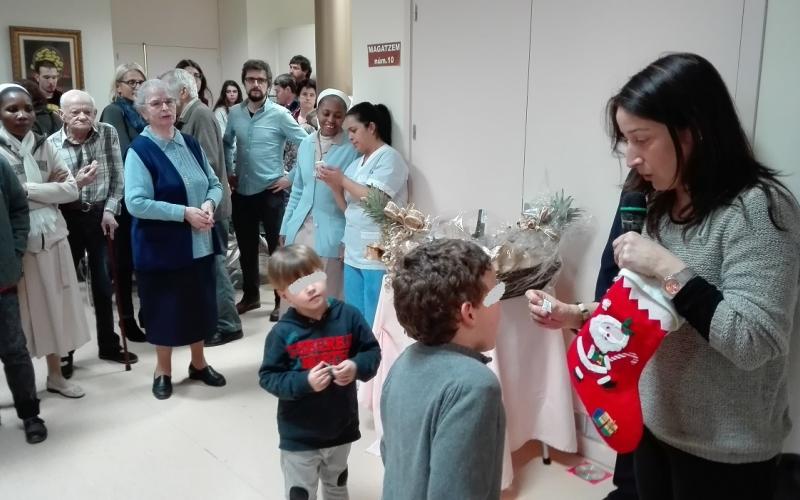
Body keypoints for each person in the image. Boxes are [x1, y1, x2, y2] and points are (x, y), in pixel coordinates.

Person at [526, 53, 800, 500]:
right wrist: (573, 314)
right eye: (625, 141)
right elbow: (645, 310)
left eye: (642, 139)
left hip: (725, 451)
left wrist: (665, 265)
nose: (631, 158)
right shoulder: (659, 203)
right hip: (652, 424)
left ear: (694, 131)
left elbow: (755, 342)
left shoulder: (760, 211)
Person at [124, 79, 226, 400]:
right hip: (161, 248)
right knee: (164, 309)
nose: (165, 107)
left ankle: (198, 363)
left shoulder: (191, 143)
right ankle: (163, 370)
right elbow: (136, 202)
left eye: (169, 101)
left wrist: (209, 204)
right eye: (156, 103)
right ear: (143, 111)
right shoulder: (139, 151)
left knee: (199, 304)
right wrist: (184, 213)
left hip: (199, 243)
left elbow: (214, 183)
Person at [381, 239, 505, 499]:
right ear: (468, 313)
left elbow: (390, 454)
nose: (500, 305)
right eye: (495, 296)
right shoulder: (476, 387)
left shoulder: (404, 362)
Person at [258, 244, 380, 500]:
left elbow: (372, 352)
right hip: (299, 435)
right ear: (284, 295)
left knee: (337, 484)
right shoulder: (282, 333)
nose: (310, 287)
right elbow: (269, 377)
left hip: (340, 428)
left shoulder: (348, 316)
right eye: (297, 285)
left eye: (313, 277)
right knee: (301, 492)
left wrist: (356, 366)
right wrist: (305, 382)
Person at [0, 83, 90, 399]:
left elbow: (71, 189)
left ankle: (55, 376)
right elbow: (7, 205)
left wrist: (26, 191)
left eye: (27, 108)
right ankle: (16, 387)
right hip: (15, 245)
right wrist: (46, 191)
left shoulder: (44, 144)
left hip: (52, 236)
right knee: (15, 320)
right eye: (12, 109)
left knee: (54, 307)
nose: (22, 115)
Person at [48, 89, 140, 376]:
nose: (83, 116)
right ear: (62, 115)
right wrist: (75, 184)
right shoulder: (50, 144)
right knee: (65, 286)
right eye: (75, 112)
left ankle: (109, 343)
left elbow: (118, 175)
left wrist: (111, 209)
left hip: (102, 215)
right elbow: (53, 189)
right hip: (68, 216)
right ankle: (66, 351)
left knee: (103, 282)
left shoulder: (107, 132)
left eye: (88, 110)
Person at [161, 68, 242, 347]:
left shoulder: (201, 115)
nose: (164, 103)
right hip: (199, 210)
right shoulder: (189, 116)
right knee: (206, 270)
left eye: (167, 96)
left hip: (211, 208)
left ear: (182, 93)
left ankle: (228, 324)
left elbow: (209, 163)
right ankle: (214, 321)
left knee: (216, 269)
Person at [223, 59, 307, 322]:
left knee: (277, 250)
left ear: (268, 83)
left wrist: (290, 178)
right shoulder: (235, 113)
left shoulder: (280, 115)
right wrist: (229, 172)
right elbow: (226, 143)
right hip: (243, 191)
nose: (256, 84)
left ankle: (282, 301)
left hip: (271, 191)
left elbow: (307, 144)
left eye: (260, 80)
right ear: (244, 82)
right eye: (251, 79)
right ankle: (251, 296)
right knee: (247, 247)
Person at [316, 102, 408, 328]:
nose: (350, 137)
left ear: (371, 128)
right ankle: (362, 356)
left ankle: (377, 361)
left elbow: (376, 201)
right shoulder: (356, 164)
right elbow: (350, 210)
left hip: (378, 248)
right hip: (354, 247)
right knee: (356, 313)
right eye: (348, 132)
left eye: (354, 131)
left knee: (375, 313)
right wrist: (334, 186)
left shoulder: (389, 158)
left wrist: (342, 181)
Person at [280, 89, 358, 305]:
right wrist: (286, 227)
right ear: (317, 112)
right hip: (300, 231)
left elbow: (353, 201)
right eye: (326, 113)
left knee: (325, 297)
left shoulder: (352, 149)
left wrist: (346, 240)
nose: (331, 120)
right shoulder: (306, 144)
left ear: (345, 117)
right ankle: (298, 338)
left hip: (332, 233)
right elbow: (297, 190)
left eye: (338, 115)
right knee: (296, 293)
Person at [0, 154, 47, 444]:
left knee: (15, 349)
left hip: (2, 277)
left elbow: (18, 207)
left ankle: (30, 413)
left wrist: (15, 249)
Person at [99, 62, 147, 341]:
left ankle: (144, 315)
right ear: (118, 86)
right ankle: (126, 321)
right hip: (122, 198)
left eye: (141, 82)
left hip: (142, 196)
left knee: (140, 260)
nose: (136, 87)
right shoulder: (114, 111)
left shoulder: (141, 112)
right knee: (123, 262)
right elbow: (127, 152)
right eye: (131, 82)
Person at [30, 47, 63, 112]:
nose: (51, 82)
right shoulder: (30, 99)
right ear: (37, 77)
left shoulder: (63, 99)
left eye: (54, 77)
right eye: (46, 77)